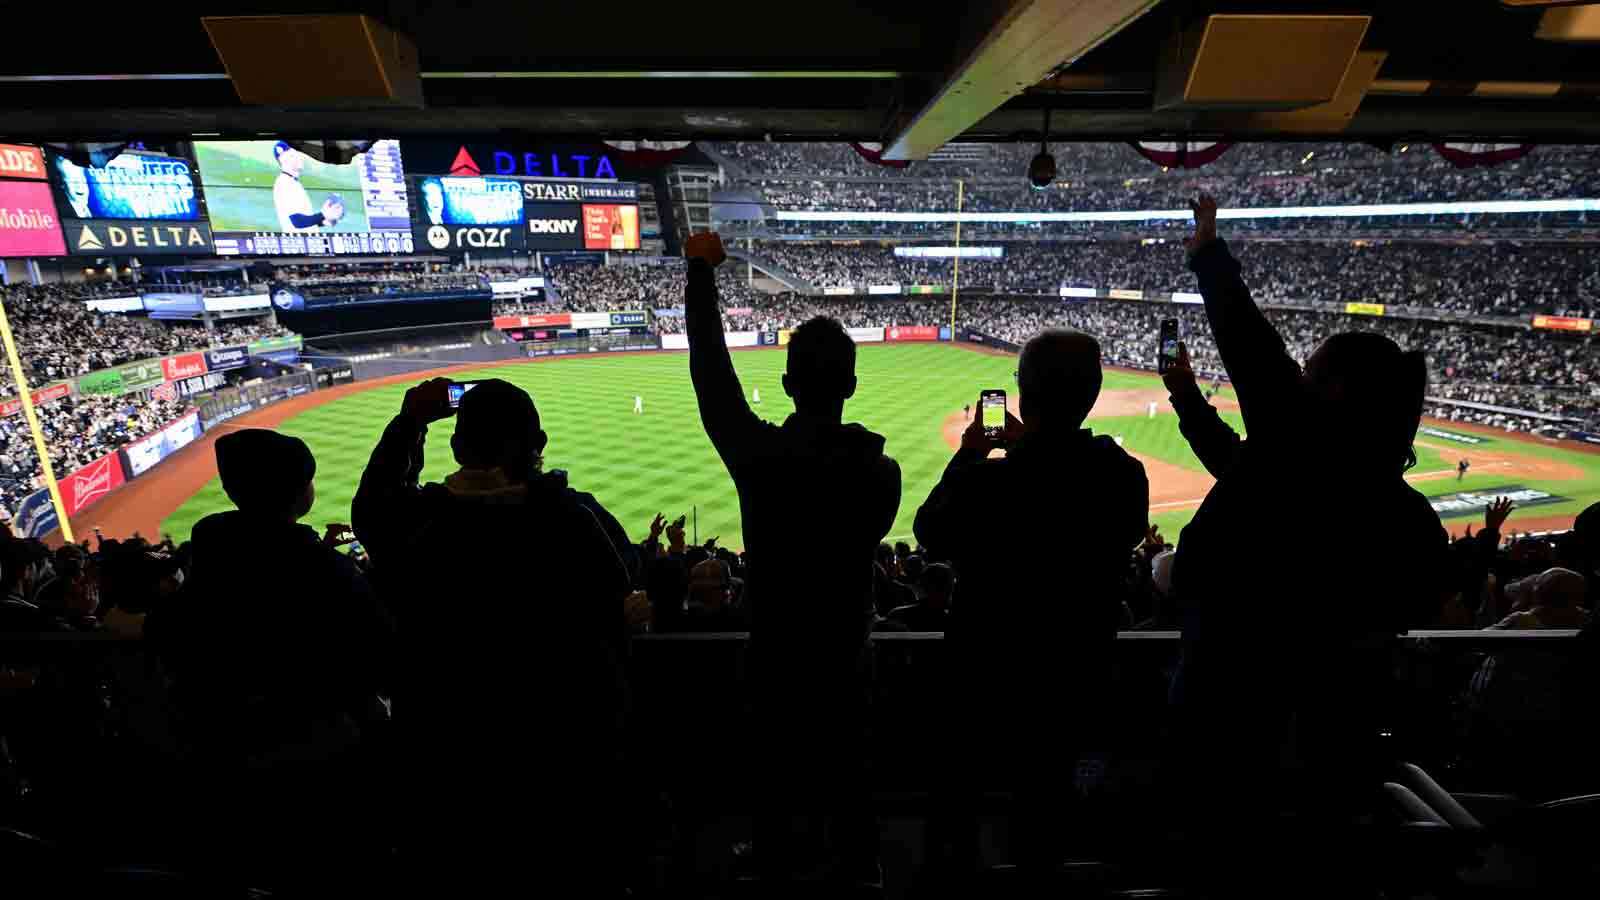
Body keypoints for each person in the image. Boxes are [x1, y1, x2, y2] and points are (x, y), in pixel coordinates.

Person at [1170, 196, 1449, 890]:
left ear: (1334, 392)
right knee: (1319, 852)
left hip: (1235, 693)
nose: (1295, 374)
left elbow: (1248, 341)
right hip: (1339, 725)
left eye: (1309, 369)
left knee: (1221, 837)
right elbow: (1236, 460)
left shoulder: (1293, 451)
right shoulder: (1408, 515)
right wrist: (1186, 400)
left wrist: (1209, 252)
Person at [351, 378, 632, 890]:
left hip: (445, 767)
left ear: (457, 446)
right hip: (559, 765)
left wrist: (411, 421)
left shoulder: (421, 522)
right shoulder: (573, 519)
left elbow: (372, 509)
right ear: (538, 446)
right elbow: (621, 584)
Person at [684, 231, 900, 889]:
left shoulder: (759, 457)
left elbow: (712, 376)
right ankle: (861, 865)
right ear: (853, 386)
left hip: (776, 647)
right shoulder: (880, 471)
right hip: (845, 647)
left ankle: (778, 857)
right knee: (851, 765)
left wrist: (700, 274)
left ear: (785, 383)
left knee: (775, 765)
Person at [914, 328, 1148, 882]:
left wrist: (974, 454)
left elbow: (931, 530)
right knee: (1044, 816)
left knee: (958, 808)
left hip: (984, 675)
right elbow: (1072, 487)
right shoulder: (1122, 476)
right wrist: (1032, 448)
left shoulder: (991, 482)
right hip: (1074, 676)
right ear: (1093, 392)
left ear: (1021, 394)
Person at [272, 141, 345, 233]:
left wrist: (325, 221)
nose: (300, 158)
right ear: (283, 160)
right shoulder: (285, 184)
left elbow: (304, 219)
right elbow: (297, 222)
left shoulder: (293, 182)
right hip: (299, 244)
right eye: (293, 155)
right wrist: (323, 214)